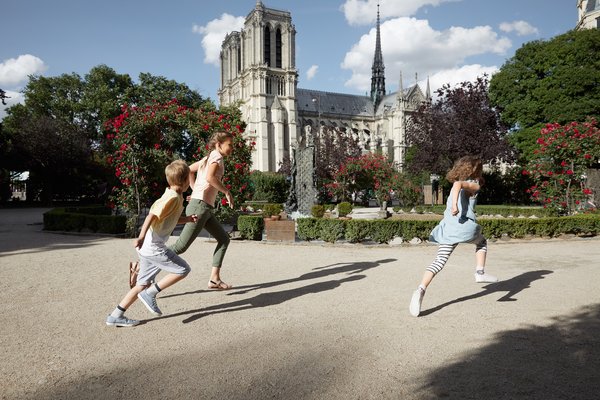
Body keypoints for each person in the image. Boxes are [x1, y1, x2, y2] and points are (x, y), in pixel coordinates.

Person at [106, 160, 198, 327]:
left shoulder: (174, 195)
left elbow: (170, 219)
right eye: (189, 180)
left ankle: (115, 315)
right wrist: (140, 237)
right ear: (185, 181)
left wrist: (187, 219)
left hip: (148, 249)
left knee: (142, 284)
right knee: (183, 269)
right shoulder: (171, 198)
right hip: (153, 248)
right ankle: (151, 293)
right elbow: (151, 216)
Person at [409, 155, 498, 317]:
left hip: (450, 230)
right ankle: (479, 273)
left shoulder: (454, 189)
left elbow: (456, 185)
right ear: (475, 171)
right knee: (482, 242)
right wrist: (456, 206)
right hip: (465, 229)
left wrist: (454, 204)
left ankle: (420, 289)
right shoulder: (474, 185)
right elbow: (459, 184)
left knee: (439, 262)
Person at [168, 131, 235, 290]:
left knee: (224, 239)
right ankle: (144, 261)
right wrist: (227, 192)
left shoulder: (208, 157)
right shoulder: (216, 158)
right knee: (181, 246)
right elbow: (210, 178)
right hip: (200, 206)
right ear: (219, 145)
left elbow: (189, 170)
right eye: (230, 145)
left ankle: (214, 279)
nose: (232, 148)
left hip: (203, 205)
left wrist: (195, 189)